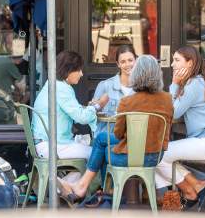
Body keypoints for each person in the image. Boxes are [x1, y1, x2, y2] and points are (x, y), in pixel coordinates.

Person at [57, 55, 173, 202]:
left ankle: (104, 193)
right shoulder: (168, 99)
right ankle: (96, 190)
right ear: (158, 74)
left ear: (136, 74)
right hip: (155, 156)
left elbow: (118, 134)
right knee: (102, 141)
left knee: (104, 145)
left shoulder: (127, 101)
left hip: (128, 157)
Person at [154, 46, 205, 209]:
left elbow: (173, 112)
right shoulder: (203, 80)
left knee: (155, 155)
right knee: (160, 154)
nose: (172, 65)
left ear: (190, 63)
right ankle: (196, 184)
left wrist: (173, 85)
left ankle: (190, 191)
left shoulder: (194, 84)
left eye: (177, 60)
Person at [32, 51, 109, 160]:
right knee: (99, 154)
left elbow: (74, 112)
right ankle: (73, 178)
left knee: (91, 154)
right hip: (51, 146)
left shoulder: (54, 84)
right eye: (79, 70)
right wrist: (98, 105)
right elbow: (82, 118)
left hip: (45, 143)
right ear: (68, 70)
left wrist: (88, 108)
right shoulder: (61, 89)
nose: (81, 74)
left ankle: (66, 178)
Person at [93, 44, 138, 132]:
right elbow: (91, 114)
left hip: (134, 141)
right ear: (118, 64)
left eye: (130, 60)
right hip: (109, 140)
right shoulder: (105, 85)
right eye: (123, 62)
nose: (127, 64)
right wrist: (96, 105)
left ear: (136, 60)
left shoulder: (142, 87)